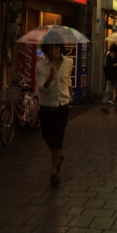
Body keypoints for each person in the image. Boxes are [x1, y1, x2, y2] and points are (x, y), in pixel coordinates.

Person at [35, 31, 74, 188]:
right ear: (46, 50)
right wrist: (50, 77)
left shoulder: (68, 63)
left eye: (56, 48)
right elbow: (41, 90)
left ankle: (53, 170)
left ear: (60, 48)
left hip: (62, 106)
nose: (54, 52)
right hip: (46, 106)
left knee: (57, 138)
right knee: (47, 137)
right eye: (50, 49)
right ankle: (58, 157)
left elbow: (68, 78)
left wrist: (70, 91)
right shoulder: (40, 66)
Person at [101, 43, 117, 113]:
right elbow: (107, 66)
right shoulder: (108, 57)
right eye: (114, 53)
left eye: (116, 53)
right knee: (108, 91)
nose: (115, 54)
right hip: (109, 77)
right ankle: (105, 106)